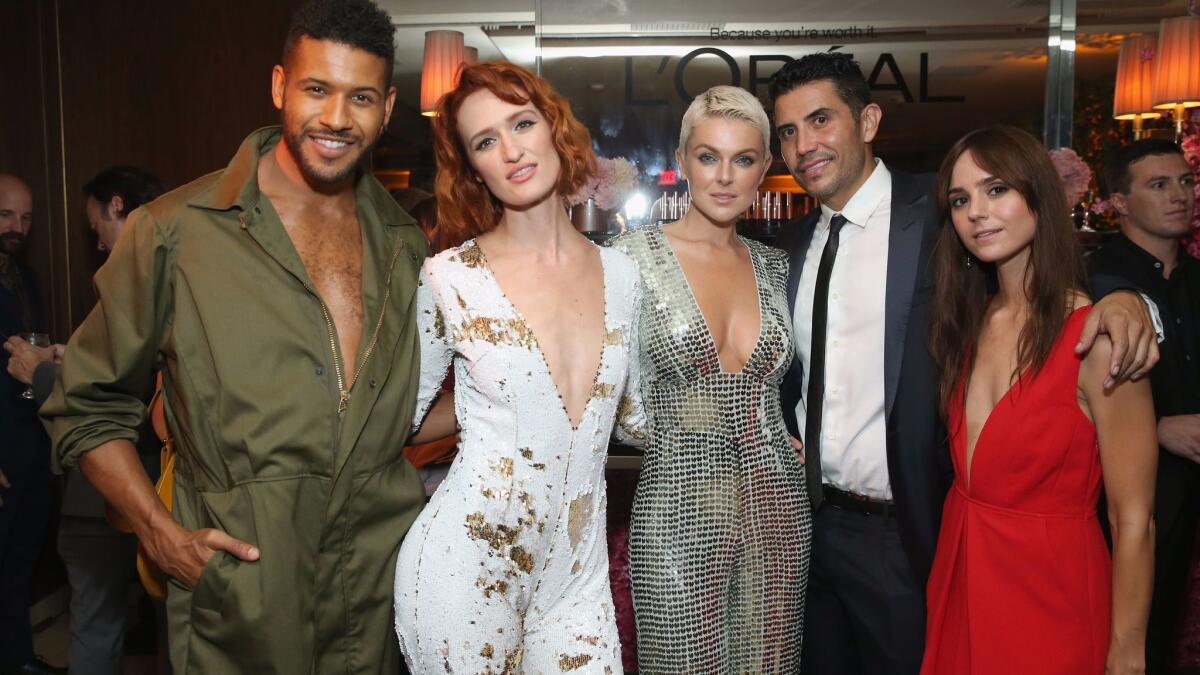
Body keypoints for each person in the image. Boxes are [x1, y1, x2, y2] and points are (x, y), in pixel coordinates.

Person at [39, 1, 429, 672]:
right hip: (241, 607)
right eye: (316, 89)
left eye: (360, 97)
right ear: (279, 85)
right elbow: (84, 405)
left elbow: (406, 408)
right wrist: (159, 534)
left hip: (379, 598)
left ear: (387, 107)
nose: (336, 118)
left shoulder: (407, 245)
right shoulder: (174, 232)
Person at [768, 53, 1160, 675]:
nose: (803, 144)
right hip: (808, 533)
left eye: (820, 120)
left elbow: (1048, 259)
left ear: (868, 120)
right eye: (787, 131)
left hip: (909, 535)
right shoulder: (787, 246)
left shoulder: (940, 212)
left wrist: (1128, 298)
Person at [393, 61, 639, 673]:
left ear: (553, 127)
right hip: (466, 572)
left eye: (521, 123)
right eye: (485, 141)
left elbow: (632, 418)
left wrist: (750, 427)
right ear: (472, 166)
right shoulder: (451, 278)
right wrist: (486, 407)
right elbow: (402, 421)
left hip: (578, 581)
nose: (510, 150)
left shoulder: (624, 275)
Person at [922, 124, 1157, 674]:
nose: (976, 211)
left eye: (996, 189)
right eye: (961, 199)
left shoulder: (1098, 338)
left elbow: (1134, 518)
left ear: (1038, 196)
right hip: (960, 577)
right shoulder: (968, 323)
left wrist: (1127, 653)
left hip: (1053, 596)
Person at [607, 85, 810, 672]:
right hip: (676, 510)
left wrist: (791, 432)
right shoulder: (628, 259)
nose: (725, 176)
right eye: (708, 156)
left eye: (743, 159)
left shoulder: (777, 267)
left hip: (777, 511)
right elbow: (602, 388)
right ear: (681, 160)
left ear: (764, 169)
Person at [4, 165, 163, 675]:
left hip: (110, 482)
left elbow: (124, 391)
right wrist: (75, 357)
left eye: (96, 223)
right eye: (8, 215)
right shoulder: (173, 267)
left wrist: (46, 372)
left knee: (97, 620)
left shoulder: (135, 279)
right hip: (151, 483)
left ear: (117, 207)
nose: (96, 241)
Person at [1091, 138, 1199, 674]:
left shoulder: (1197, 281)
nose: (1179, 195)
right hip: (1111, 507)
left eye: (1185, 181)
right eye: (1159, 185)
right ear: (1119, 202)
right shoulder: (1092, 283)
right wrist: (1157, 427)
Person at [0, 173, 63, 675]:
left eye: (25, 217)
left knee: (20, 560)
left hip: (32, 439)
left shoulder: (28, 278)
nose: (17, 226)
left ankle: (17, 657)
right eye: (6, 214)